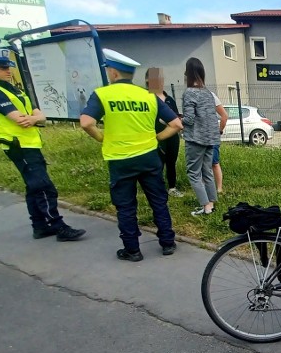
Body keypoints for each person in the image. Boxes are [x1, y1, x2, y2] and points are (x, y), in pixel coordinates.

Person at [79, 49, 183, 262]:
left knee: (126, 206)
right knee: (158, 201)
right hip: (149, 157)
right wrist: (157, 138)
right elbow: (176, 124)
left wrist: (101, 138)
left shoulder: (102, 94)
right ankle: (168, 242)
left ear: (114, 73)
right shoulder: (148, 97)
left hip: (120, 160)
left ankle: (132, 250)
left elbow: (86, 122)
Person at [0, 48, 86, 242]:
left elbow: (39, 115)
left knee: (33, 186)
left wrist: (34, 118)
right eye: (2, 67)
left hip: (30, 143)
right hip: (18, 145)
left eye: (8, 67)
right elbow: (20, 119)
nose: (7, 71)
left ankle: (40, 227)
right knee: (44, 187)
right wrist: (35, 118)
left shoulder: (13, 88)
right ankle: (58, 226)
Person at [181, 57, 220, 216]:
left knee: (194, 174)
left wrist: (176, 120)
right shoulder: (208, 93)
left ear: (187, 74)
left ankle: (205, 206)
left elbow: (189, 120)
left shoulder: (189, 93)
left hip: (196, 139)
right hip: (211, 138)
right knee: (207, 172)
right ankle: (210, 205)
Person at [144, 67, 183, 197]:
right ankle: (157, 189)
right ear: (148, 81)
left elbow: (176, 117)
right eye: (156, 79)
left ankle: (172, 188)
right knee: (157, 164)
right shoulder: (146, 99)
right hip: (155, 136)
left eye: (161, 78)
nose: (159, 81)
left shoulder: (169, 99)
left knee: (171, 162)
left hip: (172, 136)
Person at [212, 93, 229, 194]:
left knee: (214, 163)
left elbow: (224, 116)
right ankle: (218, 189)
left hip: (208, 136)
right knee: (214, 163)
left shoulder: (211, 96)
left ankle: (218, 189)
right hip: (212, 136)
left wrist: (220, 130)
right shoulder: (211, 95)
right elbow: (224, 116)